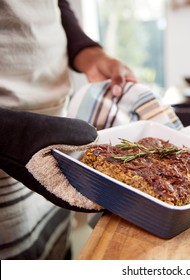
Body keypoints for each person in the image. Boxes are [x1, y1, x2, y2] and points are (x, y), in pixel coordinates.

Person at [0, 0, 137, 259]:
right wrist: (9, 133)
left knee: (54, 250)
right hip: (8, 143)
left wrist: (89, 53)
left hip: (53, 130)